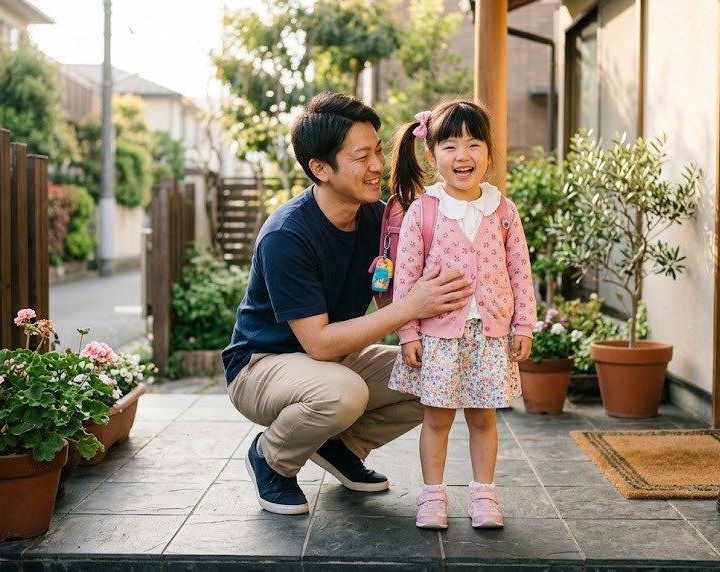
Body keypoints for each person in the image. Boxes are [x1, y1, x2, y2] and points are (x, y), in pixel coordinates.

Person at [221, 92, 474, 516]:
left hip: (335, 360)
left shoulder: (377, 217)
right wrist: (410, 307)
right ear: (319, 168)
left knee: (439, 372)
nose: (378, 165)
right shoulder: (287, 235)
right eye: (362, 157)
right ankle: (272, 457)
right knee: (344, 394)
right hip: (262, 365)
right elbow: (318, 343)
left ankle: (339, 446)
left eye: (378, 151)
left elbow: (397, 286)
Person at [386, 100, 536, 530]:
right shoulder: (424, 210)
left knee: (483, 417)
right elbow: (407, 279)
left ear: (489, 153)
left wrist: (523, 323)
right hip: (439, 336)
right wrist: (408, 333)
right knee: (436, 418)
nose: (463, 156)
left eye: (474, 144)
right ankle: (432, 496)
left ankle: (483, 494)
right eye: (451, 146)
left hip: (490, 334)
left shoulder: (503, 211)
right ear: (431, 156)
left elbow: (519, 270)